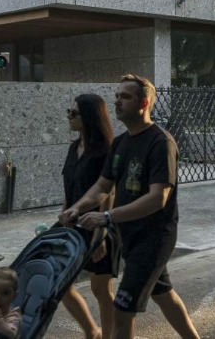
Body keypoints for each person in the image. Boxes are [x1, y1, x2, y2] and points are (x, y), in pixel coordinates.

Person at [59, 75, 199, 339]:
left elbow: (158, 198)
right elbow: (102, 186)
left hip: (154, 239)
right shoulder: (121, 143)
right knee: (164, 294)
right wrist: (76, 208)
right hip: (129, 237)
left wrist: (107, 216)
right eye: (116, 96)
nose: (117, 101)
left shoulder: (160, 142)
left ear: (144, 103)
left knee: (122, 309)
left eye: (125, 97)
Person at [60, 94, 117, 339]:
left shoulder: (105, 151)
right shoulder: (74, 148)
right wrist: (62, 217)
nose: (69, 117)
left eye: (75, 113)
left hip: (98, 226)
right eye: (69, 112)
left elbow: (108, 194)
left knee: (101, 290)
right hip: (72, 225)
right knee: (61, 285)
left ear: (90, 118)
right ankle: (91, 331)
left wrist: (99, 235)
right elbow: (69, 187)